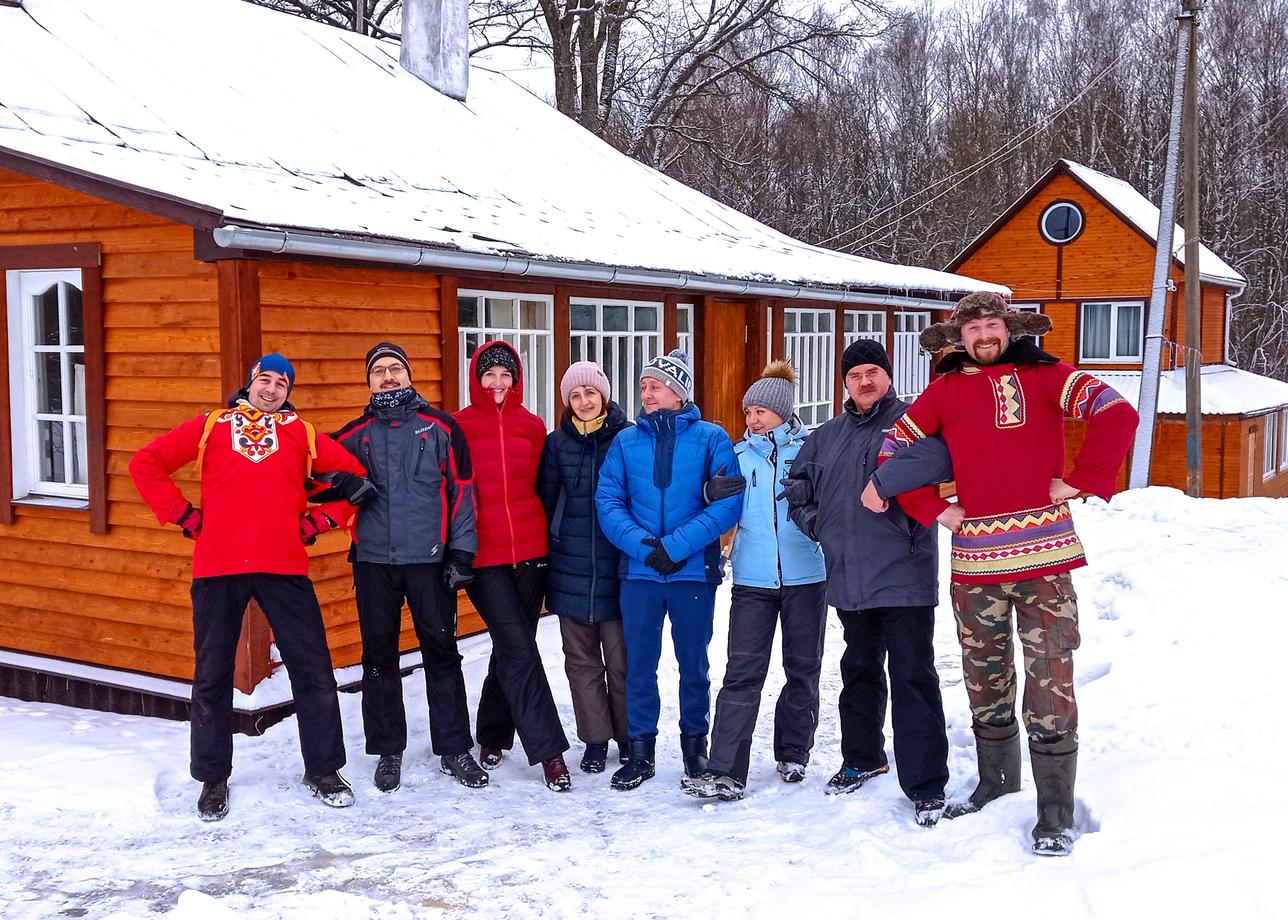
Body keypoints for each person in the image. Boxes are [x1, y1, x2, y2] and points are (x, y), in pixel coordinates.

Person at [865, 291, 1138, 855]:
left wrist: (1084, 477)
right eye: (972, 328)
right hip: (975, 564)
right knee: (984, 676)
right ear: (958, 338)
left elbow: (1117, 412)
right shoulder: (943, 391)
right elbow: (893, 451)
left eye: (992, 325)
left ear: (1008, 330)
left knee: (1050, 681)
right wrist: (936, 509)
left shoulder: (1048, 376)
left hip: (1045, 560)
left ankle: (1055, 811)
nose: (983, 335)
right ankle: (996, 783)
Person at [129, 354, 372, 820]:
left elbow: (356, 482)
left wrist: (318, 520)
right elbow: (147, 463)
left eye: (283, 382)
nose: (273, 388)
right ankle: (212, 778)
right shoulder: (211, 425)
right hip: (217, 565)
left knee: (314, 669)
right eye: (265, 378)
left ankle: (323, 770)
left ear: (288, 391)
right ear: (250, 383)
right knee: (213, 672)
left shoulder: (304, 434)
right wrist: (183, 515)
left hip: (283, 564)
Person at [781, 339, 953, 827]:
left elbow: (939, 461)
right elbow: (797, 488)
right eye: (856, 375)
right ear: (845, 383)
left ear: (888, 376)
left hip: (904, 573)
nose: (865, 382)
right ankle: (863, 756)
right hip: (849, 577)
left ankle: (925, 783)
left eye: (873, 372)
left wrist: (884, 486)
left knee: (913, 676)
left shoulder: (912, 426)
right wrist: (818, 524)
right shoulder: (826, 435)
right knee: (858, 669)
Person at [330, 342, 488, 793]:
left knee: (441, 652)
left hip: (430, 561)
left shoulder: (441, 427)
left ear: (409, 375)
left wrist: (462, 553)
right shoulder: (354, 434)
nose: (388, 377)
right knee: (378, 658)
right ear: (368, 380)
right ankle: (387, 750)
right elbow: (311, 472)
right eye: (378, 370)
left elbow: (462, 491)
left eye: (395, 368)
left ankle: (454, 747)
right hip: (373, 562)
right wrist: (343, 480)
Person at [595, 349, 743, 790]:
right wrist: (645, 547)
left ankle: (696, 751)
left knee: (693, 664)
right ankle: (640, 752)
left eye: (654, 385)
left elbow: (729, 501)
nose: (645, 392)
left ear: (678, 393)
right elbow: (608, 502)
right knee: (639, 664)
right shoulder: (625, 441)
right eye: (642, 385)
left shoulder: (712, 438)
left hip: (692, 573)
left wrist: (675, 547)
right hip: (639, 574)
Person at [681, 361, 827, 802]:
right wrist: (709, 492)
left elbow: (832, 500)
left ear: (784, 411)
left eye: (761, 411)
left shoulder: (810, 451)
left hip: (807, 576)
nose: (753, 419)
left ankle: (794, 750)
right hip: (752, 580)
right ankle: (725, 769)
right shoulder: (737, 456)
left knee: (802, 668)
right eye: (749, 412)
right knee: (742, 673)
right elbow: (709, 499)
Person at [453, 340, 572, 791]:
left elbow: (545, 487)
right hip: (483, 558)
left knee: (511, 646)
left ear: (516, 378)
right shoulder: (457, 426)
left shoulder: (532, 425)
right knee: (520, 648)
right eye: (489, 375)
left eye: (506, 374)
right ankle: (549, 753)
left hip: (531, 552)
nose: (498, 382)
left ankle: (492, 733)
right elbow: (452, 492)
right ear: (476, 378)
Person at [537, 362, 631, 774]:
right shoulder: (556, 443)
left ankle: (630, 736)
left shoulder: (627, 439)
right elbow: (545, 499)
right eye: (575, 396)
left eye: (590, 393)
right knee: (581, 663)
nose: (584, 401)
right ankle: (595, 738)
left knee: (623, 659)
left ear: (604, 396)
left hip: (618, 567)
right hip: (569, 568)